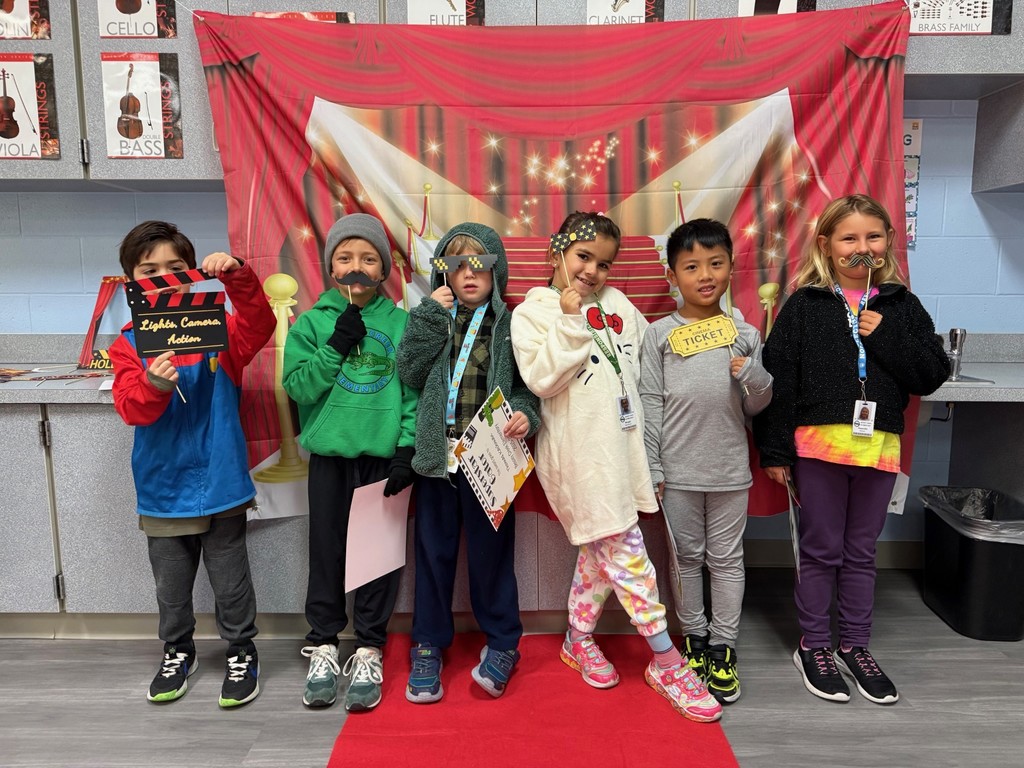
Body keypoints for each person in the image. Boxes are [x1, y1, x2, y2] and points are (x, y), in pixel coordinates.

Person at [511, 211, 722, 723]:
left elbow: (648, 359)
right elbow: (541, 379)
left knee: (601, 550)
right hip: (580, 458)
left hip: (624, 451)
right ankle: (665, 660)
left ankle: (576, 639)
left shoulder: (619, 305)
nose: (592, 272)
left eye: (604, 263)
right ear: (556, 253)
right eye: (584, 257)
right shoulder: (533, 312)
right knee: (628, 554)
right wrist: (567, 317)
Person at [753, 194, 950, 705]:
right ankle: (814, 645)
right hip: (817, 449)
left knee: (862, 554)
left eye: (873, 237)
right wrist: (775, 452)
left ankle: (855, 646)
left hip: (878, 449)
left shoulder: (901, 306)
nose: (862, 247)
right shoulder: (805, 305)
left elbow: (930, 373)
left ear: (887, 243)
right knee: (820, 551)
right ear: (826, 245)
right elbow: (780, 381)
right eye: (849, 238)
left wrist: (885, 336)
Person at [109, 220, 275, 707]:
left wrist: (238, 277)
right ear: (131, 281)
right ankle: (177, 650)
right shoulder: (127, 342)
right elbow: (129, 408)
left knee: (231, 581)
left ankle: (242, 650)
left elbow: (260, 324)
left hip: (221, 480)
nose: (164, 274)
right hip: (163, 487)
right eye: (150, 269)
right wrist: (154, 386)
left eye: (176, 268)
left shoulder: (219, 329)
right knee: (172, 586)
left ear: (192, 273)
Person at [396, 222, 540, 703]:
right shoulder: (435, 316)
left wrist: (526, 413)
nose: (469, 273)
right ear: (446, 273)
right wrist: (427, 320)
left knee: (491, 559)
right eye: (457, 264)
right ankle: (428, 644)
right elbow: (411, 372)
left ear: (496, 267)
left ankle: (503, 643)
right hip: (439, 460)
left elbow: (526, 385)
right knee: (433, 558)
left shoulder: (511, 324)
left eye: (479, 263)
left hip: (491, 461)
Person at [282, 213, 418, 712]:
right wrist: (337, 343)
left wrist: (406, 449)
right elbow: (297, 387)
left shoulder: (402, 324)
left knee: (377, 560)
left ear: (383, 268)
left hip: (383, 460)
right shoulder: (312, 323)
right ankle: (322, 643)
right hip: (331, 460)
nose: (356, 267)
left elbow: (412, 393)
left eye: (367, 258)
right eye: (345, 258)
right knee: (328, 554)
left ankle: (369, 647)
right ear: (330, 267)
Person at [639, 218, 773, 705]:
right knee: (686, 559)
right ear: (672, 276)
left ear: (731, 267)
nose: (705, 275)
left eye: (715, 263)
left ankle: (724, 647)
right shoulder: (657, 335)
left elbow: (758, 407)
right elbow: (649, 403)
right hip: (677, 473)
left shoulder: (745, 333)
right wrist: (653, 468)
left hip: (730, 471)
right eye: (692, 266)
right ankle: (693, 639)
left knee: (727, 560)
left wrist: (754, 374)